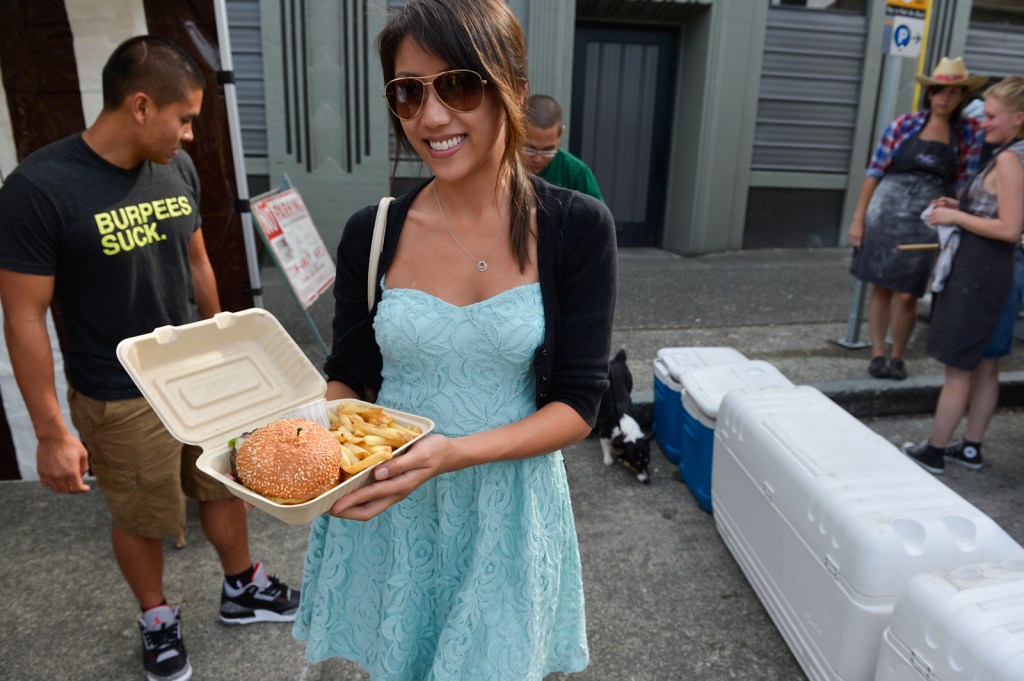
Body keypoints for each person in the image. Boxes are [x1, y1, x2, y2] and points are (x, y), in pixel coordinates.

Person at [291, 1, 617, 679]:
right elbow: (347, 372)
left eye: (459, 85)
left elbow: (579, 405)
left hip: (506, 506)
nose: (432, 117)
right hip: (396, 503)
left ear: (514, 93)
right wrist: (312, 449)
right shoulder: (371, 230)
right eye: (409, 93)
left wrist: (451, 454)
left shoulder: (576, 226)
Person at [0, 36, 298, 681]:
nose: (190, 134)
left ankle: (242, 589)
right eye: (184, 117)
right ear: (140, 105)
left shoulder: (175, 168)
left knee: (223, 483)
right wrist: (52, 430)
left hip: (199, 377)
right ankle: (157, 617)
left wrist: (228, 356)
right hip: (119, 390)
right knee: (139, 513)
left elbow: (197, 264)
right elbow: (22, 314)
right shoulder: (37, 189)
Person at [902, 76, 1024, 475]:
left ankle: (934, 451)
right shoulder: (1017, 153)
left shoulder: (1009, 158)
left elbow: (1009, 228)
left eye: (990, 116)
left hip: (981, 274)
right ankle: (970, 448)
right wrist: (960, 203)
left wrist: (955, 215)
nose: (981, 122)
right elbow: (1001, 209)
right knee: (988, 365)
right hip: (1002, 274)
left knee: (959, 369)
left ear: (1018, 118)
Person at [849, 57, 986, 381]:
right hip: (885, 209)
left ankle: (898, 354)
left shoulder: (970, 133)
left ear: (962, 96)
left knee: (909, 292)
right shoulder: (903, 125)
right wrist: (858, 219)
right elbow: (873, 173)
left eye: (953, 92)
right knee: (880, 286)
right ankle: (877, 353)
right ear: (929, 93)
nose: (945, 98)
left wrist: (957, 219)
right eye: (939, 91)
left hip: (926, 215)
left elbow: (965, 182)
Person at [521, 94, 605, 201]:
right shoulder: (502, 165)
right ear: (517, 132)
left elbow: (597, 215)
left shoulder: (576, 173)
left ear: (560, 134)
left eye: (548, 150)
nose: (538, 159)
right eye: (530, 149)